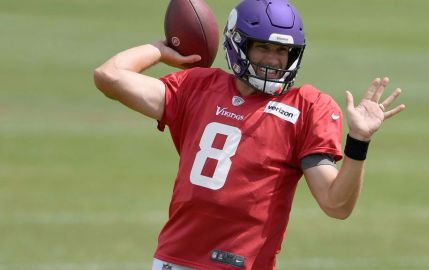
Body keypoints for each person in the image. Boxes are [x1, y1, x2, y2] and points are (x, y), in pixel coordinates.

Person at [93, 0, 405, 269]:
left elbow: (336, 205)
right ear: (238, 44)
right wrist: (160, 50)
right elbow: (110, 76)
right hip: (176, 260)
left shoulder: (307, 107)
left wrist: (359, 142)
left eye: (283, 50)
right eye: (264, 47)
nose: (273, 60)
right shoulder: (197, 87)